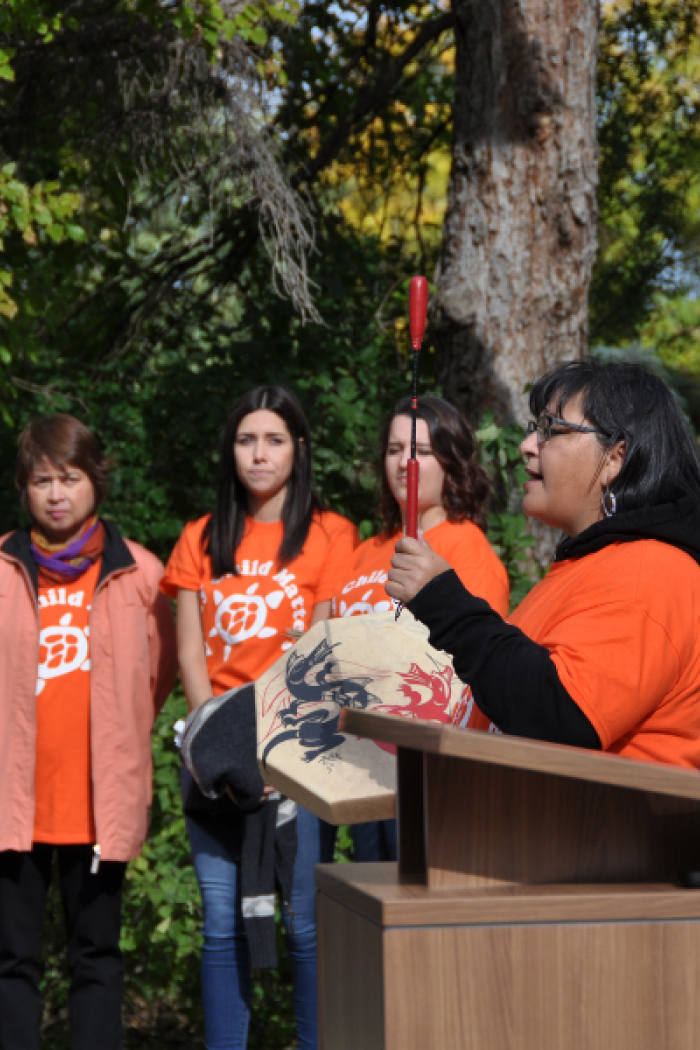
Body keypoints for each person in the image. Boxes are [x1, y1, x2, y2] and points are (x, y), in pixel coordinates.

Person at [160, 385, 357, 1050]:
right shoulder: (199, 538)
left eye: (274, 440)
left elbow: (321, 652)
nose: (259, 454)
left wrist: (274, 753)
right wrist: (219, 747)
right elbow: (190, 653)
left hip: (296, 760)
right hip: (214, 761)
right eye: (247, 440)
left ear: (298, 450)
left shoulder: (331, 536)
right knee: (221, 924)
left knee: (304, 925)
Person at [387, 360, 700, 767]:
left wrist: (446, 605)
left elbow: (559, 715)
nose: (528, 445)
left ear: (615, 458)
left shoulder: (651, 570)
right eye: (534, 428)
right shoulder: (591, 565)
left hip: (605, 829)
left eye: (551, 430)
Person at [0, 414, 177, 1050]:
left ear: (96, 482)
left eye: (69, 478)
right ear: (24, 489)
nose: (55, 493)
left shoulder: (142, 575)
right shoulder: (1, 569)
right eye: (41, 480)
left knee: (96, 956)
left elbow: (155, 680)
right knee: (11, 961)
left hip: (99, 806)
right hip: (13, 806)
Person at [328, 395, 509, 861]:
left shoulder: (466, 548)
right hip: (360, 758)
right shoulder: (368, 550)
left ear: (451, 462)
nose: (404, 462)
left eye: (422, 451)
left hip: (426, 766)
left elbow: (470, 667)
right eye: (393, 449)